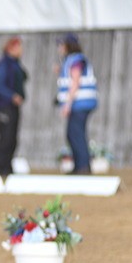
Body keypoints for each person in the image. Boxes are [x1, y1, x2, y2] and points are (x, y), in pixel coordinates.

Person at [56, 32, 98, 174]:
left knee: (76, 134)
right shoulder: (70, 60)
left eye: (61, 44)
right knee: (72, 133)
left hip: (80, 104)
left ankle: (83, 166)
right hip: (79, 104)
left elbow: (75, 81)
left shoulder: (76, 60)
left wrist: (67, 103)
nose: (59, 47)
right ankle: (79, 165)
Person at [0, 36, 26, 181]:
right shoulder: (4, 64)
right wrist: (12, 96)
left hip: (13, 106)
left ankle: (8, 167)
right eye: (19, 47)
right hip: (4, 106)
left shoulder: (15, 64)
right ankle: (1, 167)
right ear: (11, 48)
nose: (21, 50)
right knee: (6, 137)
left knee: (12, 138)